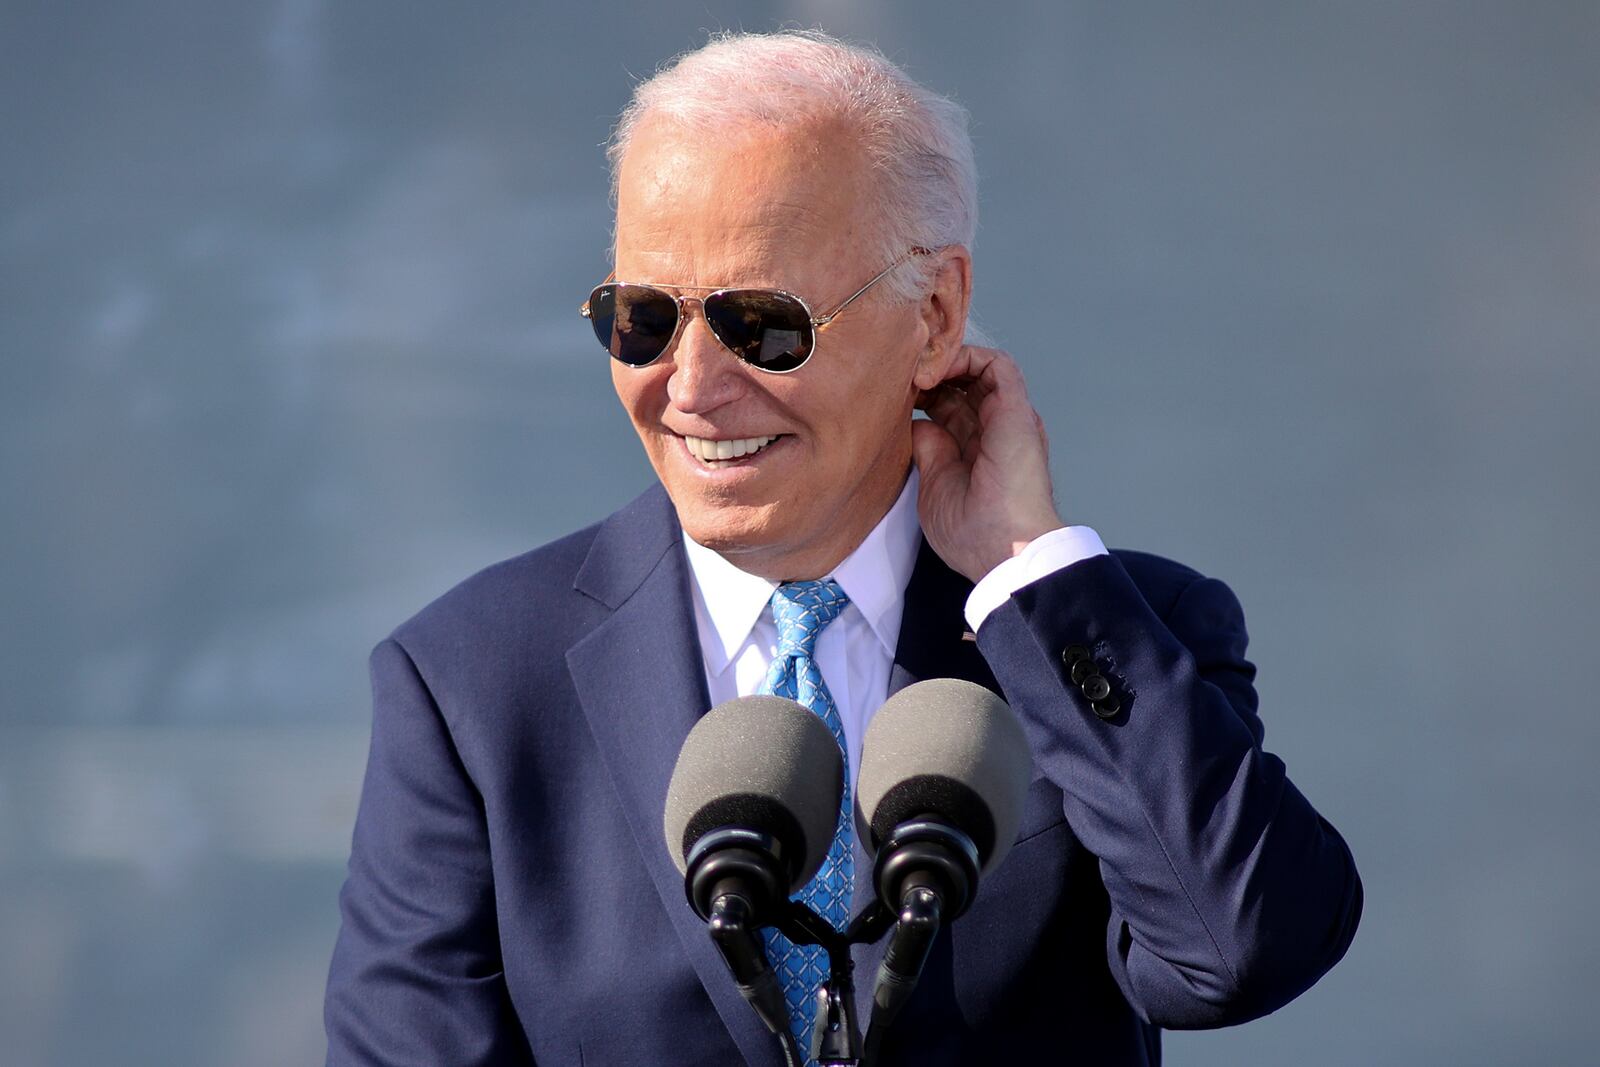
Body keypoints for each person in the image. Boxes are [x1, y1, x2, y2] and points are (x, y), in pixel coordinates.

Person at [324, 30, 1361, 1067]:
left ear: (935, 313)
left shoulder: (1105, 630)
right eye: (641, 317)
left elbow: (1240, 952)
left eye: (761, 324)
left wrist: (1023, 566)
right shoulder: (468, 680)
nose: (687, 385)